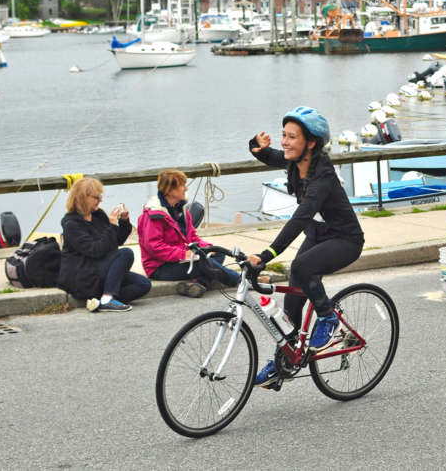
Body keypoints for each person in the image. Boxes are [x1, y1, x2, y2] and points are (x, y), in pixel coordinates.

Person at [247, 106, 364, 388]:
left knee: (302, 267)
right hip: (318, 236)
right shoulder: (294, 162)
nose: (284, 142)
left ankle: (327, 317)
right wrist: (256, 147)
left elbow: (299, 218)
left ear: (310, 143)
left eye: (292, 137)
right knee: (292, 301)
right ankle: (284, 361)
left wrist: (267, 254)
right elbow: (271, 155)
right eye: (283, 135)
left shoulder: (322, 176)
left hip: (345, 240)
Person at [138, 169, 240, 297]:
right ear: (170, 190)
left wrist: (208, 248)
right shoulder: (153, 215)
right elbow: (154, 247)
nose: (186, 189)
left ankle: (199, 284)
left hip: (182, 259)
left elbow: (192, 237)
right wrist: (184, 254)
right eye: (182, 186)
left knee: (218, 254)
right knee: (203, 264)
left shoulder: (182, 209)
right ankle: (239, 280)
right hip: (160, 267)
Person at [58, 177, 151, 312]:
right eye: (96, 197)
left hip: (101, 272)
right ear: (83, 197)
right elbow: (94, 250)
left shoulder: (98, 215)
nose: (100, 200)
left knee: (144, 284)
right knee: (126, 253)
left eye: (100, 197)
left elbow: (116, 241)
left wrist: (123, 222)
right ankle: (107, 299)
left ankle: (102, 299)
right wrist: (112, 226)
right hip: (83, 275)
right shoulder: (71, 223)